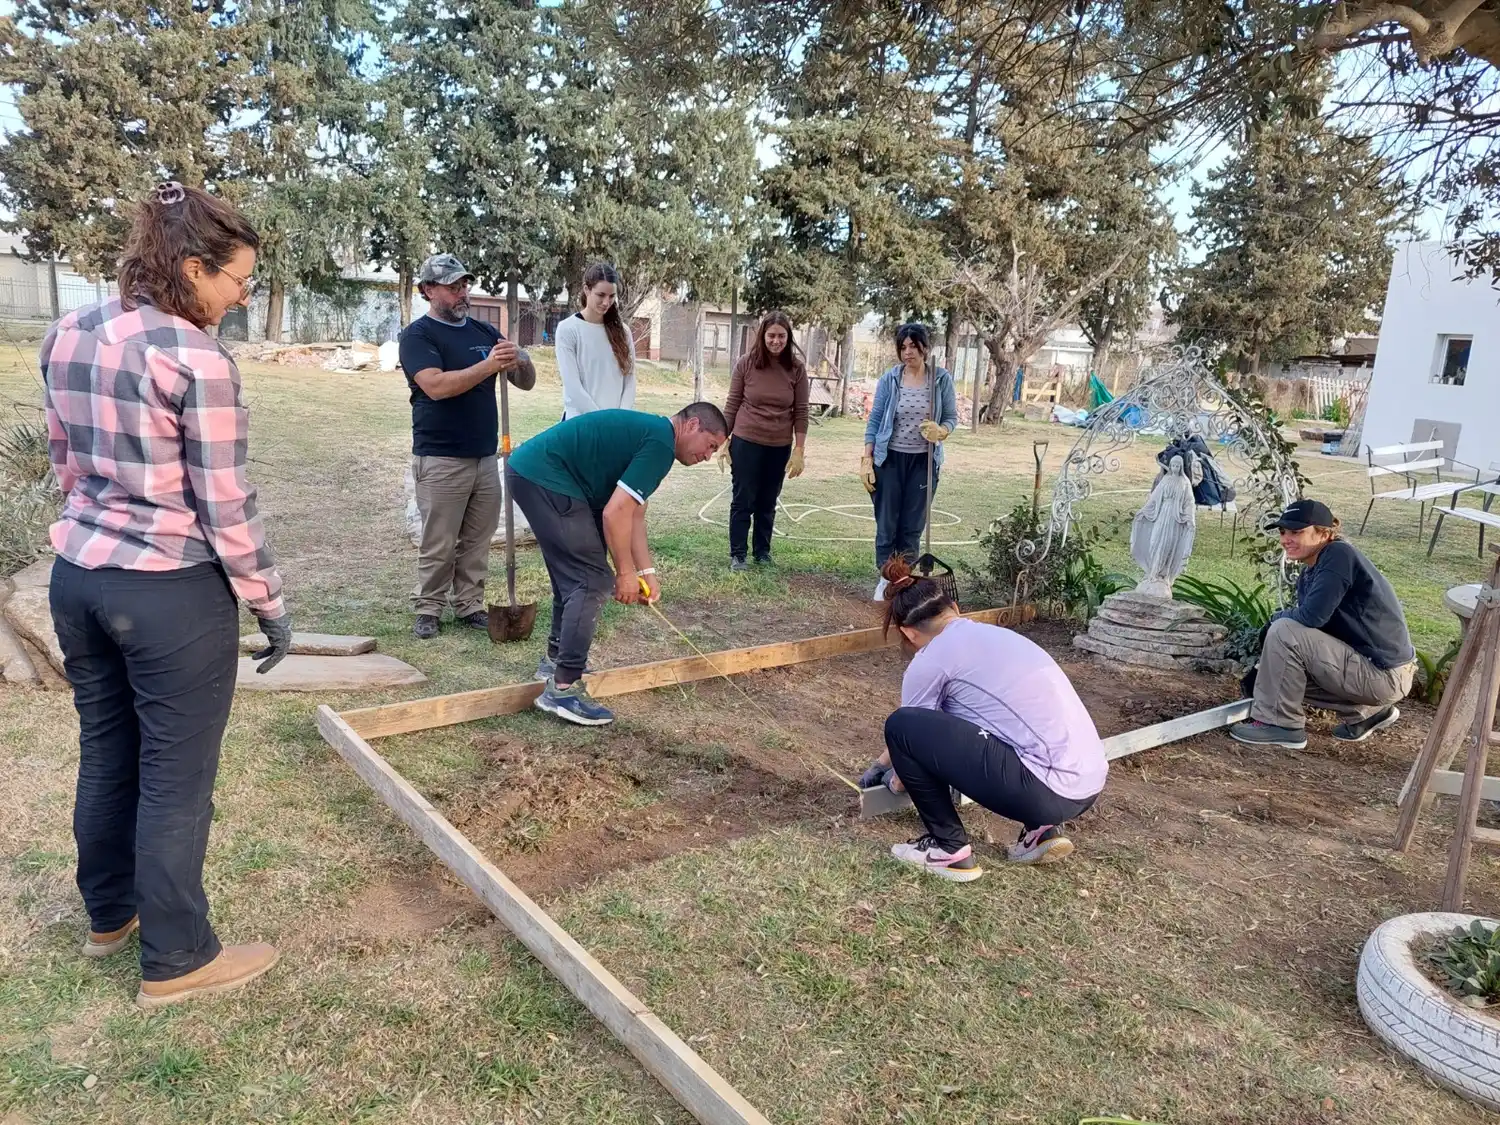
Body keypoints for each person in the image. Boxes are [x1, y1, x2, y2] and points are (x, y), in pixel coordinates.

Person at [42, 181, 291, 1008]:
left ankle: (110, 915)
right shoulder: (194, 356)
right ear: (191, 268)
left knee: (108, 751)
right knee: (177, 778)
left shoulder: (69, 331)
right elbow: (224, 501)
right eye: (237, 280)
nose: (244, 295)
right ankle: (179, 955)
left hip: (78, 578)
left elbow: (64, 462)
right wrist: (267, 600)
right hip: (168, 591)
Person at [859, 558, 1109, 882]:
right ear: (955, 608)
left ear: (906, 630)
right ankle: (1041, 831)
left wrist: (892, 781)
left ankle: (947, 849)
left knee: (900, 723)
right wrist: (881, 763)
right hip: (1087, 783)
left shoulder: (930, 661)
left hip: (1046, 789)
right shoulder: (997, 638)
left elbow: (911, 730)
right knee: (1005, 725)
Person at [506, 403, 728, 725]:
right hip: (544, 477)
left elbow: (635, 512)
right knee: (592, 581)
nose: (708, 456)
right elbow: (615, 513)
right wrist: (624, 574)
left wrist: (646, 574)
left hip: (539, 474)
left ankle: (555, 662)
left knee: (577, 579)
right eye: (710, 446)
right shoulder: (661, 444)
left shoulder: (656, 436)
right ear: (693, 424)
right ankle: (563, 688)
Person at [399, 253, 537, 640]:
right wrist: (489, 366)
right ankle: (428, 608)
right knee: (439, 541)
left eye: (465, 285)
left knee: (478, 539)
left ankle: (470, 604)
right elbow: (436, 386)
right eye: (453, 286)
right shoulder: (417, 336)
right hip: (440, 457)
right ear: (428, 290)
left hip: (484, 457)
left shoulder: (482, 333)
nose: (463, 293)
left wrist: (519, 360)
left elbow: (524, 382)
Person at [1230, 499, 1416, 749]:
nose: (1286, 539)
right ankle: (1369, 713)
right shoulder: (1313, 569)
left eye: (1296, 532)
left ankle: (1281, 725)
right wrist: (1263, 670)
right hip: (1377, 673)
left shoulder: (1338, 554)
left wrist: (1275, 620)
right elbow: (1316, 631)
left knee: (1284, 630)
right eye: (1283, 532)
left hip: (1383, 674)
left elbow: (1310, 618)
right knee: (1277, 676)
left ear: (1324, 534)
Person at [861, 323, 958, 600]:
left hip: (923, 462)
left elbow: (951, 416)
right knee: (887, 523)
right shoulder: (890, 379)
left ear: (925, 348)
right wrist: (866, 459)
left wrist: (942, 431)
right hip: (889, 459)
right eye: (903, 347)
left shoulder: (940, 380)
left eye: (914, 346)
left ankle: (906, 581)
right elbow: (875, 420)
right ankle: (886, 578)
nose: (908, 352)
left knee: (912, 525)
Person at [718, 310, 810, 570]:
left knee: (768, 501)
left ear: (788, 337)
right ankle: (738, 554)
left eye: (782, 336)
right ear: (763, 336)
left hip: (779, 446)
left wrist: (799, 449)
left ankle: (762, 552)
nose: (776, 341)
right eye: (771, 335)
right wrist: (724, 439)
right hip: (747, 441)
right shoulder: (746, 363)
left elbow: (801, 411)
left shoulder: (796, 368)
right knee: (743, 499)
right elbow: (732, 404)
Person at [555, 261, 636, 419]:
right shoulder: (568, 329)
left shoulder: (623, 332)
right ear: (587, 289)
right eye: (601, 295)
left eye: (612, 296)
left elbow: (630, 379)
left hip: (615, 424)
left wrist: (621, 417)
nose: (606, 302)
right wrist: (601, 421)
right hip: (580, 423)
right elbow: (573, 387)